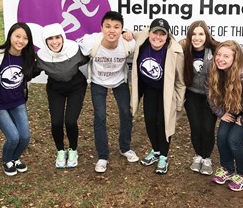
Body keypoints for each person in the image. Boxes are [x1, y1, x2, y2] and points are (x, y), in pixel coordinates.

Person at [78, 11, 139, 173]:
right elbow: (75, 48)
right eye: (108, 26)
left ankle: (125, 148)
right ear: (101, 28)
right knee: (100, 116)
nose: (112, 31)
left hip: (120, 81)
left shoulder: (128, 44)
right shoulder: (91, 42)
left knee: (127, 113)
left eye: (116, 27)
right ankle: (102, 156)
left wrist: (131, 33)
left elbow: (146, 39)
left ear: (122, 30)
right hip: (98, 82)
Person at [131, 18, 185, 174]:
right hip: (149, 88)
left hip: (165, 92)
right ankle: (155, 151)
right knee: (149, 120)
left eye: (163, 34)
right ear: (149, 33)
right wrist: (125, 33)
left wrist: (180, 102)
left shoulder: (175, 51)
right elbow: (133, 34)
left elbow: (181, 80)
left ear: (167, 36)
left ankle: (164, 156)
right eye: (155, 33)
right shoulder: (143, 38)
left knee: (163, 123)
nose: (158, 37)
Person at [205, 40, 243, 191]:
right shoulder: (214, 69)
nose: (220, 59)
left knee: (234, 140)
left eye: (226, 56)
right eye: (218, 54)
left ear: (235, 58)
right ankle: (227, 169)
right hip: (231, 111)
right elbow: (209, 94)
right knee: (222, 137)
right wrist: (221, 113)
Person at [36, 23, 88, 169]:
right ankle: (60, 151)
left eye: (57, 37)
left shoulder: (74, 49)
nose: (54, 42)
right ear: (45, 41)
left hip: (76, 86)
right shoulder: (41, 56)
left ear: (63, 37)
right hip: (55, 89)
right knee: (56, 122)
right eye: (50, 39)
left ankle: (73, 150)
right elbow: (31, 71)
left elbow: (90, 56)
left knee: (70, 121)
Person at [0, 23, 36, 176]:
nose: (20, 41)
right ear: (10, 36)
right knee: (13, 137)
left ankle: (15, 158)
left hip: (18, 102)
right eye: (17, 36)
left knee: (24, 137)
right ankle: (7, 160)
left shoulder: (28, 57)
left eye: (25, 38)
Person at [179, 20, 218, 175]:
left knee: (208, 128)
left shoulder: (215, 50)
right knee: (195, 126)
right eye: (194, 34)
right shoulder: (184, 50)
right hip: (192, 93)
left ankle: (207, 158)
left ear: (206, 35)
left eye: (201, 34)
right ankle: (198, 156)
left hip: (211, 96)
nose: (197, 38)